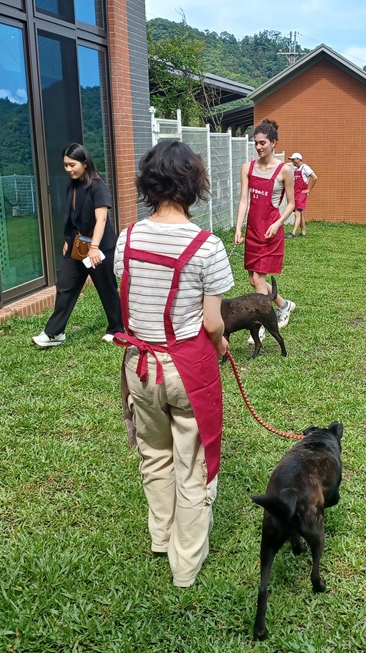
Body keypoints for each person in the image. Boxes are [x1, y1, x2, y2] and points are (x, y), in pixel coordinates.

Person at [113, 140, 234, 587]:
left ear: (149, 184)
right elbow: (212, 323)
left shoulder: (127, 238)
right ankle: (184, 566)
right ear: (193, 185)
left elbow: (129, 294)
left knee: (154, 453)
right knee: (195, 464)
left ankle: (160, 537)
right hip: (188, 369)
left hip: (139, 365)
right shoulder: (207, 247)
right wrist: (220, 344)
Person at [32, 143, 123, 348]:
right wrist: (68, 240)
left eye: (72, 165)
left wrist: (93, 248)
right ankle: (55, 333)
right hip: (78, 245)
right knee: (65, 285)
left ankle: (116, 328)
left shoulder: (97, 185)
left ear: (84, 162)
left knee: (106, 287)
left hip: (99, 247)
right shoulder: (72, 185)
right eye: (65, 165)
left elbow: (101, 220)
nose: (68, 169)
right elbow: (72, 216)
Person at [234, 118, 296, 343]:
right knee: (253, 280)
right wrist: (239, 228)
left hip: (270, 232)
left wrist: (278, 223)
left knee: (259, 279)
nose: (259, 147)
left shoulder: (284, 170)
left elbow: (291, 203)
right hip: (252, 230)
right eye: (256, 143)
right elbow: (243, 201)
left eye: (263, 143)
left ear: (274, 143)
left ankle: (260, 324)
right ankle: (284, 305)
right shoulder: (247, 168)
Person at [286, 152, 317, 238]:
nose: (292, 162)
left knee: (297, 213)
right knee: (300, 213)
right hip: (296, 193)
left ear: (298, 159)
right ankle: (303, 231)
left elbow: (315, 177)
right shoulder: (296, 170)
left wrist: (308, 189)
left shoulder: (305, 168)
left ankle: (293, 233)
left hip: (301, 194)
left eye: (293, 160)